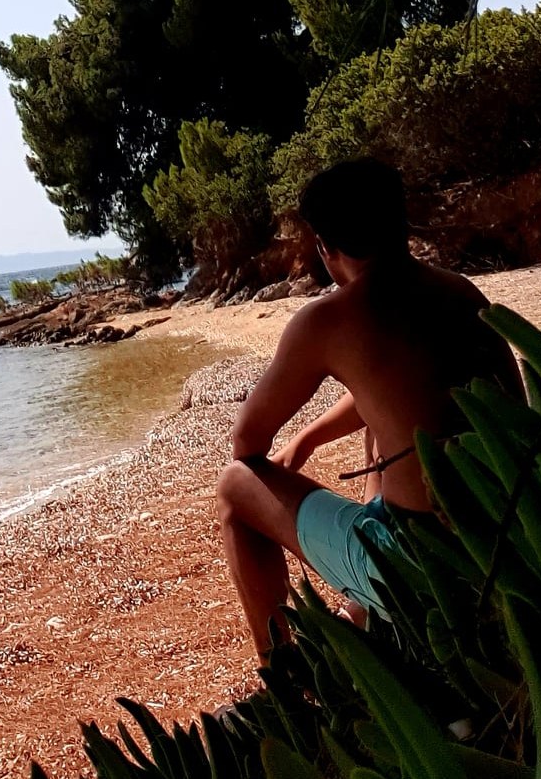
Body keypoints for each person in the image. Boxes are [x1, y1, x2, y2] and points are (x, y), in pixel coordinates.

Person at [215, 158, 517, 651]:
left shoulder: (329, 319)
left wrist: (280, 449)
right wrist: (307, 439)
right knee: (380, 428)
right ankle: (364, 610)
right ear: (400, 224)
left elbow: (246, 440)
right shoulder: (460, 291)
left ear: (325, 248)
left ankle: (283, 676)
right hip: (505, 538)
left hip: (424, 569)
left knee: (234, 485)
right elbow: (398, 393)